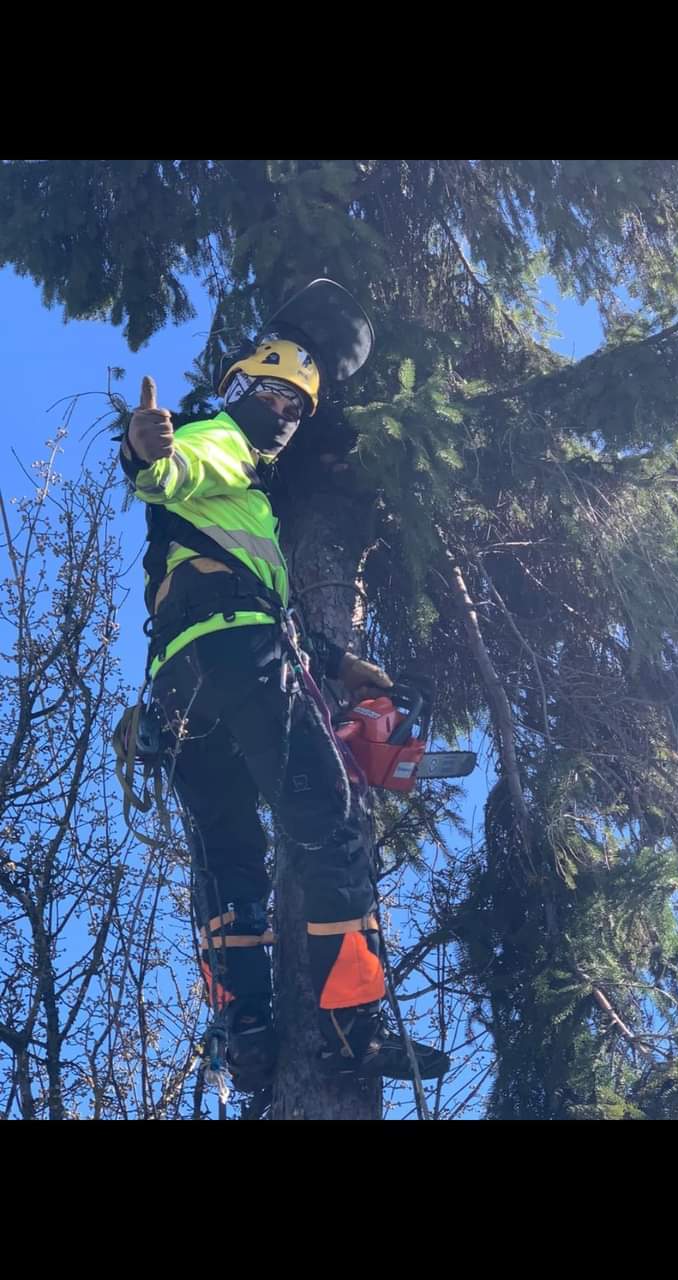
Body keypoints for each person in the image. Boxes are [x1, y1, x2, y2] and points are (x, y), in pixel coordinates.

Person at [119, 281, 449, 1091]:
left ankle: (249, 1035)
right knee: (327, 826)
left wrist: (337, 665)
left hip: (181, 684)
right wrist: (148, 451)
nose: (286, 419)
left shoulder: (239, 506)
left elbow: (257, 593)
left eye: (296, 408)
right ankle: (350, 1027)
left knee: (229, 861)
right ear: (249, 392)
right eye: (280, 401)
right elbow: (170, 469)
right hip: (242, 664)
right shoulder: (219, 440)